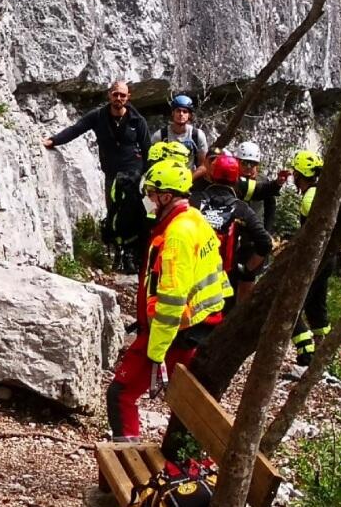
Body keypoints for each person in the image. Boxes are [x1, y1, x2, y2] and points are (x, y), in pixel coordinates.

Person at [106, 160, 233, 440]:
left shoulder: (177, 235)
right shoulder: (194, 220)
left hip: (175, 332)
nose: (148, 200)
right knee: (186, 405)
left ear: (165, 196)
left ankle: (123, 472)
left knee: (121, 395)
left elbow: (172, 301)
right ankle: (180, 466)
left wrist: (155, 352)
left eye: (151, 194)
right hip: (201, 328)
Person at [44, 80, 151, 271]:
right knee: (113, 213)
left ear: (128, 97)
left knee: (134, 215)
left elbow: (147, 150)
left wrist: (146, 177)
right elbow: (76, 129)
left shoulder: (137, 120)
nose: (119, 98)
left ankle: (132, 257)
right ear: (109, 95)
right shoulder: (99, 116)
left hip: (134, 176)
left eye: (122, 95)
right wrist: (53, 141)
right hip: (112, 175)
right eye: (115, 94)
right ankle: (117, 254)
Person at [189, 154, 272, 309]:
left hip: (191, 272)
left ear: (211, 175)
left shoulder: (193, 201)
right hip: (225, 277)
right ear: (236, 179)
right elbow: (265, 242)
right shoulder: (241, 208)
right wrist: (247, 269)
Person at [289, 150, 330, 367]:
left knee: (292, 304)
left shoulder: (309, 198)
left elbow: (310, 234)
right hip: (327, 259)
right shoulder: (322, 192)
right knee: (317, 307)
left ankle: (306, 356)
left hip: (313, 261)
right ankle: (324, 353)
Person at [232, 140, 290, 233]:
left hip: (254, 232)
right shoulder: (232, 180)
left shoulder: (262, 180)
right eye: (244, 163)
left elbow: (270, 206)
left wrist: (267, 231)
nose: (248, 167)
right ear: (237, 161)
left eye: (253, 163)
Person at [150, 95, 209, 178]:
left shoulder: (197, 135)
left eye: (185, 111)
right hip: (165, 178)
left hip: (189, 178)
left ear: (189, 115)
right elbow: (151, 162)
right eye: (178, 111)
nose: (181, 114)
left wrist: (188, 180)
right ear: (173, 113)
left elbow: (203, 166)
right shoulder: (160, 136)